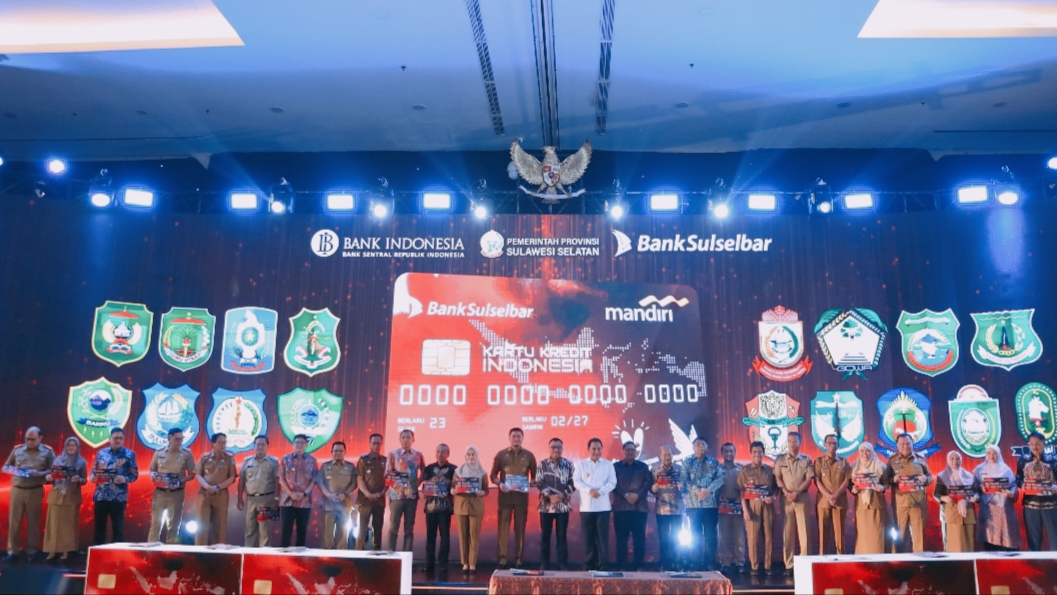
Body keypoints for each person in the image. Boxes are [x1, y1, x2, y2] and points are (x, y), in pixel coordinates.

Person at [3, 426, 54, 562]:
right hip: (18, 489)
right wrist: (13, 470)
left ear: (40, 438)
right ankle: (13, 552)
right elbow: (5, 467)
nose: (29, 442)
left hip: (35, 489)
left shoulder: (47, 452)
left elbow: (54, 470)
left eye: (32, 439)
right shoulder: (17, 449)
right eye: (27, 439)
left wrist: (39, 473)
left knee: (33, 522)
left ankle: (31, 552)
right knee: (14, 522)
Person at [490, 427, 537, 568]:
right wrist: (500, 484)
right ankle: (502, 559)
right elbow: (493, 475)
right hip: (505, 498)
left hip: (521, 498)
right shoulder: (501, 454)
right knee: (503, 529)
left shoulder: (529, 455)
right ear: (509, 438)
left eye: (519, 436)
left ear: (522, 438)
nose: (516, 439)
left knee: (520, 529)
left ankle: (518, 559)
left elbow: (536, 477)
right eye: (514, 436)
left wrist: (529, 484)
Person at [883, 433, 932, 552]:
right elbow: (885, 481)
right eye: (902, 444)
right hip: (901, 504)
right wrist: (893, 479)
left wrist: (926, 479)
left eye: (908, 443)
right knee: (900, 537)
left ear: (912, 443)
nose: (905, 446)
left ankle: (919, 561)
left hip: (918, 503)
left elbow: (929, 477)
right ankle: (900, 561)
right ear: (897, 445)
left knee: (919, 537)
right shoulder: (892, 461)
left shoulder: (920, 459)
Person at [573, 437, 617, 571]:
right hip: (586, 507)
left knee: (602, 538)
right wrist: (589, 491)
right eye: (593, 449)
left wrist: (601, 491)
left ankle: (603, 565)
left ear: (602, 449)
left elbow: (613, 482)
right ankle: (589, 564)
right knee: (588, 538)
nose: (596, 451)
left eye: (599, 449)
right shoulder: (581, 465)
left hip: (603, 507)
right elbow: (576, 482)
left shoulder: (608, 465)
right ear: (588, 449)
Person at [147, 428, 196, 543]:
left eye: (181, 439)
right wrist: (153, 476)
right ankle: (151, 549)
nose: (179, 442)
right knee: (155, 524)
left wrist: (181, 480)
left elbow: (193, 473)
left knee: (173, 525)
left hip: (176, 493)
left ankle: (171, 550)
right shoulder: (159, 452)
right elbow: (152, 469)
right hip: (160, 492)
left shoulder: (186, 454)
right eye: (176, 439)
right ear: (169, 439)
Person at [774, 431, 814, 576]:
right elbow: (777, 478)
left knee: (804, 532)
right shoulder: (780, 460)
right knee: (788, 532)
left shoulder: (806, 460)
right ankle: (789, 565)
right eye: (790, 441)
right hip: (786, 499)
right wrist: (786, 492)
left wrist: (796, 492)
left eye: (795, 441)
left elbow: (808, 479)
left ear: (800, 443)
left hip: (801, 498)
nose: (792, 444)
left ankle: (805, 564)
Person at [91, 427, 139, 545]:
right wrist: (93, 477)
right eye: (115, 438)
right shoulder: (101, 453)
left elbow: (134, 474)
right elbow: (94, 471)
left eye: (121, 438)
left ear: (123, 439)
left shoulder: (129, 454)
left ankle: (117, 554)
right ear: (110, 439)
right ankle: (98, 553)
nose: (118, 440)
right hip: (101, 495)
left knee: (118, 528)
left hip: (118, 497)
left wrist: (125, 478)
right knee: (99, 528)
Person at [42, 436, 86, 561]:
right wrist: (49, 478)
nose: (71, 447)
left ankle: (65, 551)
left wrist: (78, 479)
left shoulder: (81, 462)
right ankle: (51, 551)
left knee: (67, 526)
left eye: (73, 445)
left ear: (77, 447)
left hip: (71, 497)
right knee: (53, 524)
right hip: (56, 496)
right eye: (68, 445)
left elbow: (84, 480)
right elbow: (51, 478)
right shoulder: (57, 460)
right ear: (65, 446)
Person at [682, 437, 723, 570]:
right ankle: (695, 562)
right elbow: (684, 479)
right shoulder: (687, 461)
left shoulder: (713, 462)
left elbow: (720, 478)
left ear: (707, 447)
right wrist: (697, 490)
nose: (700, 446)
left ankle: (710, 562)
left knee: (710, 535)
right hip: (693, 505)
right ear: (693, 447)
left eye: (703, 444)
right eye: (698, 444)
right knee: (695, 535)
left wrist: (709, 490)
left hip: (710, 505)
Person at [535, 437, 575, 570]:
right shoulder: (542, 464)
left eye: (558, 447)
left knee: (561, 536)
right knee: (545, 536)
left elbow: (573, 482)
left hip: (563, 506)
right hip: (546, 506)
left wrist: (562, 495)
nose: (556, 449)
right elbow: (539, 482)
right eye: (553, 447)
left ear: (562, 449)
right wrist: (550, 496)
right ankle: (544, 564)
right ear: (549, 448)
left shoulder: (569, 464)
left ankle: (562, 564)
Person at [613, 440, 652, 571]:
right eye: (627, 449)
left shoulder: (643, 467)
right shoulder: (615, 467)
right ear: (623, 451)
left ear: (636, 451)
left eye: (632, 449)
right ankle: (621, 565)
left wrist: (637, 495)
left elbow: (648, 483)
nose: (630, 452)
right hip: (621, 508)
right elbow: (613, 484)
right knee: (621, 539)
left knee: (639, 539)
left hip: (639, 508)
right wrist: (625, 495)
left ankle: (638, 565)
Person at [738, 441, 776, 576]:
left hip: (767, 506)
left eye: (759, 451)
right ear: (750, 453)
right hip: (752, 506)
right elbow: (741, 492)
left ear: (763, 453)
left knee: (768, 537)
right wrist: (745, 510)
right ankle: (754, 566)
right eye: (754, 452)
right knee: (753, 538)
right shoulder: (745, 470)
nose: (757, 454)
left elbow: (776, 489)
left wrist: (773, 497)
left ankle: (768, 566)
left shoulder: (770, 470)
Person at [974, 444, 1021, 551]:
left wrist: (1011, 493)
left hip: (1003, 508)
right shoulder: (980, 469)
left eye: (995, 453)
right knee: (989, 535)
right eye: (989, 453)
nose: (992, 456)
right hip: (988, 508)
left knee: (1006, 535)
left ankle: (1009, 558)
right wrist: (980, 487)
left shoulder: (1005, 469)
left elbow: (1013, 485)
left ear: (999, 454)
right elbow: (974, 486)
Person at [1016, 432, 1057, 551]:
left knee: (1054, 537)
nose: (1035, 447)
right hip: (1030, 504)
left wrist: (1055, 486)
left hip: (1050, 505)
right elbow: (1018, 478)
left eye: (1038, 444)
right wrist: (1023, 485)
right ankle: (1035, 562)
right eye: (1032, 444)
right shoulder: (1023, 460)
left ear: (1044, 444)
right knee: (1033, 540)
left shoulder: (1053, 461)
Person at [237, 435, 280, 547]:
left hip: (266, 500)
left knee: (264, 532)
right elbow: (242, 480)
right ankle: (248, 554)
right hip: (250, 499)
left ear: (267, 446)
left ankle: (264, 556)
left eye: (263, 444)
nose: (260, 447)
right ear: (254, 446)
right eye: (258, 444)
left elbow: (277, 482)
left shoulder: (273, 462)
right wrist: (240, 498)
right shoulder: (247, 461)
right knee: (249, 530)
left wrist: (276, 499)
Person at [194, 432, 236, 545]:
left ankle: (218, 552)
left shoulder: (229, 458)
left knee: (220, 526)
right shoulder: (205, 457)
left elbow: (232, 477)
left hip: (220, 494)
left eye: (224, 443)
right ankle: (200, 551)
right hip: (205, 494)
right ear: (214, 444)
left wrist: (218, 487)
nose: (223, 445)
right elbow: (198, 475)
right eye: (220, 442)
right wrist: (208, 487)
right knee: (202, 525)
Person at [386, 429, 424, 552]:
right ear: (400, 439)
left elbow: (424, 473)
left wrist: (415, 485)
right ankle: (390, 555)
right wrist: (399, 487)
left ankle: (407, 555)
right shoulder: (393, 454)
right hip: (396, 496)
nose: (406, 440)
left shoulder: (418, 455)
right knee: (393, 527)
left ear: (413, 440)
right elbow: (387, 475)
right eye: (403, 437)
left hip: (411, 497)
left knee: (409, 529)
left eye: (408, 437)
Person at [934, 450, 980, 552]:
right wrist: (944, 498)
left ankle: (968, 562)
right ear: (948, 460)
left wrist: (976, 497)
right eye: (952, 459)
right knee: (953, 545)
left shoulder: (969, 476)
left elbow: (976, 492)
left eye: (957, 459)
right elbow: (936, 494)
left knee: (968, 544)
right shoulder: (942, 476)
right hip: (951, 513)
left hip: (968, 512)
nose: (955, 461)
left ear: (961, 460)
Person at [454, 445, 489, 577]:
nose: (471, 457)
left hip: (476, 506)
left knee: (474, 536)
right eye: (468, 454)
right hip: (461, 506)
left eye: (473, 454)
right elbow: (453, 486)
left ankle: (472, 563)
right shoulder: (458, 471)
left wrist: (483, 492)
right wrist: (453, 490)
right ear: (465, 456)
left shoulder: (482, 473)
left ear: (477, 456)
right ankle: (465, 563)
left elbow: (486, 489)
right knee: (463, 535)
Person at [814, 434, 851, 555]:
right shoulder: (819, 462)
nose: (832, 445)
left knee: (840, 533)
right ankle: (822, 559)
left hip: (840, 501)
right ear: (825, 445)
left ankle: (841, 559)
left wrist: (835, 496)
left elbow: (846, 481)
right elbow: (817, 481)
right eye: (829, 443)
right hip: (823, 502)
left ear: (838, 445)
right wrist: (829, 496)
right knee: (823, 534)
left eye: (834, 443)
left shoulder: (844, 462)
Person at [422, 444, 457, 573]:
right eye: (438, 451)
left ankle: (443, 564)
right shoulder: (429, 468)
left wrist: (449, 492)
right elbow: (424, 486)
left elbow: (455, 486)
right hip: (430, 507)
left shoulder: (454, 469)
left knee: (445, 537)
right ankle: (429, 564)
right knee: (430, 537)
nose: (440, 454)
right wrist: (425, 492)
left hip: (445, 508)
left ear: (448, 454)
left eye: (443, 452)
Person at [279, 434, 318, 547]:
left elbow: (314, 479)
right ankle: (284, 555)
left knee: (302, 532)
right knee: (286, 531)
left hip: (304, 502)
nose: (299, 445)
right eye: (297, 443)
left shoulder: (312, 461)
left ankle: (300, 556)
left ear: (306, 445)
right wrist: (290, 494)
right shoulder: (285, 459)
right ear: (293, 445)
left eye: (302, 443)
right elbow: (281, 478)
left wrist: (304, 493)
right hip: (287, 500)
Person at [317, 441, 357, 549]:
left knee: (342, 537)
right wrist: (329, 495)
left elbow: (354, 483)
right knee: (326, 538)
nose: (338, 453)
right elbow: (320, 483)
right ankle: (325, 558)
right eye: (335, 451)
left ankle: (340, 559)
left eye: (340, 451)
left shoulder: (351, 467)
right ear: (331, 452)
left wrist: (345, 494)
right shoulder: (325, 466)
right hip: (328, 506)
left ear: (345, 452)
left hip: (344, 506)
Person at [850, 442, 888, 554]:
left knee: (876, 535)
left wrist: (882, 487)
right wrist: (854, 489)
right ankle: (862, 561)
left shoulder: (880, 466)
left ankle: (877, 561)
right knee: (862, 536)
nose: (865, 454)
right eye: (862, 451)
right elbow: (850, 485)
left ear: (872, 452)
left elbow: (887, 483)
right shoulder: (854, 467)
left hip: (876, 505)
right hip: (861, 506)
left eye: (868, 451)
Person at [652, 444, 684, 571]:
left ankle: (677, 562)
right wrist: (653, 488)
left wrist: (682, 487)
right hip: (662, 509)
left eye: (669, 454)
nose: (667, 457)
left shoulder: (680, 469)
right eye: (665, 455)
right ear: (660, 456)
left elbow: (686, 488)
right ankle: (664, 563)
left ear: (673, 455)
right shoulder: (655, 470)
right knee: (664, 538)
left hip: (677, 509)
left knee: (677, 537)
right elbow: (650, 489)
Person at [716, 443, 746, 574]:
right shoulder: (717, 469)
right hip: (723, 507)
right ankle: (725, 562)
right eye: (726, 451)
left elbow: (746, 487)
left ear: (735, 453)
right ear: (722, 453)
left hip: (738, 507)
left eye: (731, 451)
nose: (729, 454)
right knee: (723, 537)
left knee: (739, 536)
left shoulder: (741, 468)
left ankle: (740, 562)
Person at [355, 433, 387, 550]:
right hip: (365, 500)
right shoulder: (363, 460)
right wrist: (368, 494)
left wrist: (381, 493)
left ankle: (376, 554)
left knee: (378, 529)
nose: (376, 446)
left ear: (382, 444)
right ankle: (359, 554)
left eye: (378, 443)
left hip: (379, 501)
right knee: (362, 529)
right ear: (369, 444)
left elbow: (389, 481)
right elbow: (359, 479)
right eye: (374, 443)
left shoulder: (385, 461)